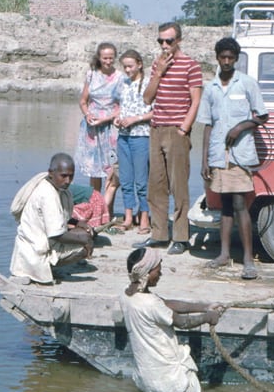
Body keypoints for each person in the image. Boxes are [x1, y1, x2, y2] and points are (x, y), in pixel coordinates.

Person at [119, 247, 224, 392]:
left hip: (150, 371)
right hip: (169, 370)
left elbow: (166, 304)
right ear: (146, 273)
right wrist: (208, 317)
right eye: (157, 270)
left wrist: (205, 307)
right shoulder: (151, 304)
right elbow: (182, 322)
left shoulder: (126, 295)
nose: (160, 274)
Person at [197, 37, 268, 280]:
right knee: (224, 205)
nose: (226, 62)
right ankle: (224, 254)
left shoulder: (247, 83)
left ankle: (248, 260)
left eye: (230, 58)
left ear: (236, 59)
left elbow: (262, 116)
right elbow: (207, 125)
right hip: (218, 155)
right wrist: (204, 160)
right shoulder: (210, 88)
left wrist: (240, 128)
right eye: (222, 57)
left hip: (240, 154)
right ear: (217, 58)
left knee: (240, 204)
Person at [133, 22, 203, 255]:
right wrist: (159, 72)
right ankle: (159, 234)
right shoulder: (157, 64)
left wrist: (184, 128)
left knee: (178, 185)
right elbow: (147, 98)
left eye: (169, 41)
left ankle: (181, 236)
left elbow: (196, 101)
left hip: (176, 130)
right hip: (156, 128)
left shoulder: (191, 65)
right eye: (160, 41)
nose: (164, 45)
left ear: (179, 41)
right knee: (157, 185)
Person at [9, 153, 94, 285]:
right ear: (51, 173)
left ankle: (52, 264)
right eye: (64, 176)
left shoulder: (51, 186)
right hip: (36, 250)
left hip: (31, 244)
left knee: (84, 233)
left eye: (71, 176)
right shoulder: (48, 195)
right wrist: (86, 240)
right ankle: (48, 266)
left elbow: (58, 217)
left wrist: (77, 222)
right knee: (86, 240)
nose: (67, 181)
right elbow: (56, 235)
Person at [75, 42, 124, 219]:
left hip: (111, 130)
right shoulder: (91, 75)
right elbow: (83, 101)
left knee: (112, 170)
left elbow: (122, 106)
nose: (108, 61)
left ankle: (108, 211)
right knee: (94, 171)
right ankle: (95, 210)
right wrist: (87, 114)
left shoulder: (120, 77)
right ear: (99, 58)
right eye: (105, 58)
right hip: (92, 131)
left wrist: (106, 118)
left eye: (111, 58)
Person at [114, 49, 153, 234]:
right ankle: (128, 216)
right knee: (126, 179)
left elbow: (155, 111)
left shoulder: (149, 83)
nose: (127, 70)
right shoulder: (123, 83)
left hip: (141, 136)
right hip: (123, 137)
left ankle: (144, 216)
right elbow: (120, 107)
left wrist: (136, 119)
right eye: (124, 67)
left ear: (139, 64)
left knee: (142, 181)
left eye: (130, 66)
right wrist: (117, 118)